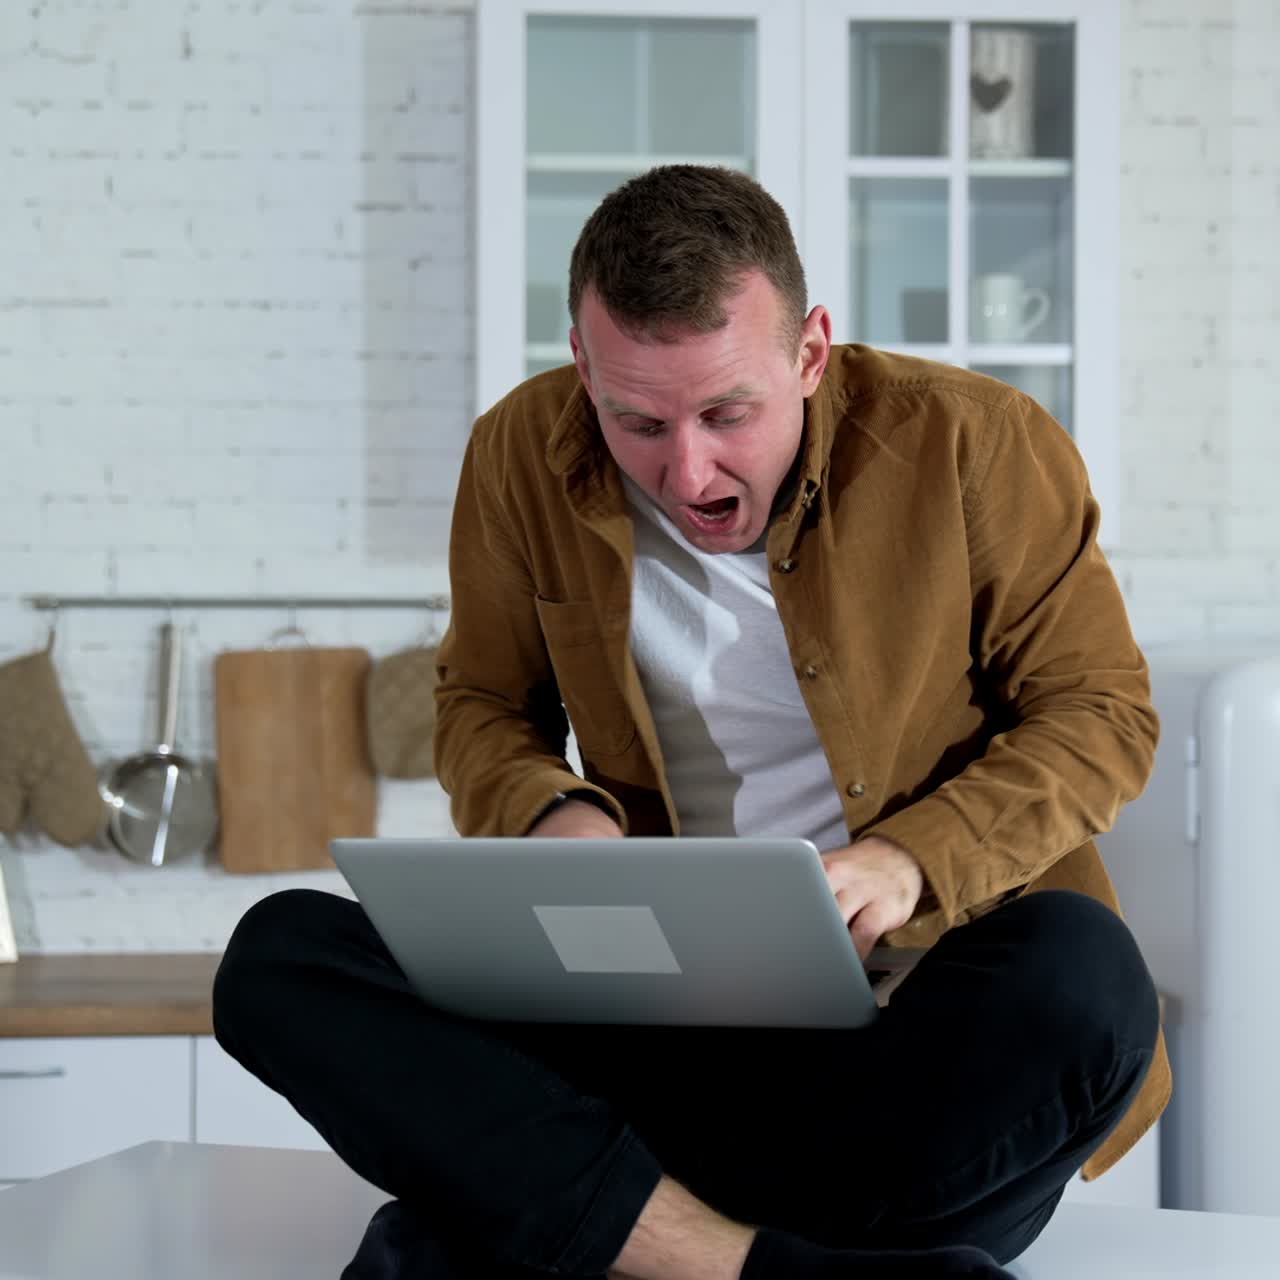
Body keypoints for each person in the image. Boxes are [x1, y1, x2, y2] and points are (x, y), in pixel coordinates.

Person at [212, 164, 1169, 1280]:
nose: (686, 467)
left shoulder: (976, 444)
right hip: (658, 1016)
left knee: (1084, 975)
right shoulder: (517, 453)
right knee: (281, 953)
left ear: (809, 352)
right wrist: (553, 813)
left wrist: (904, 862)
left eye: (726, 413)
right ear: (582, 364)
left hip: (909, 1039)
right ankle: (752, 1265)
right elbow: (480, 703)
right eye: (637, 420)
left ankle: (567, 1221)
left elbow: (1101, 714)